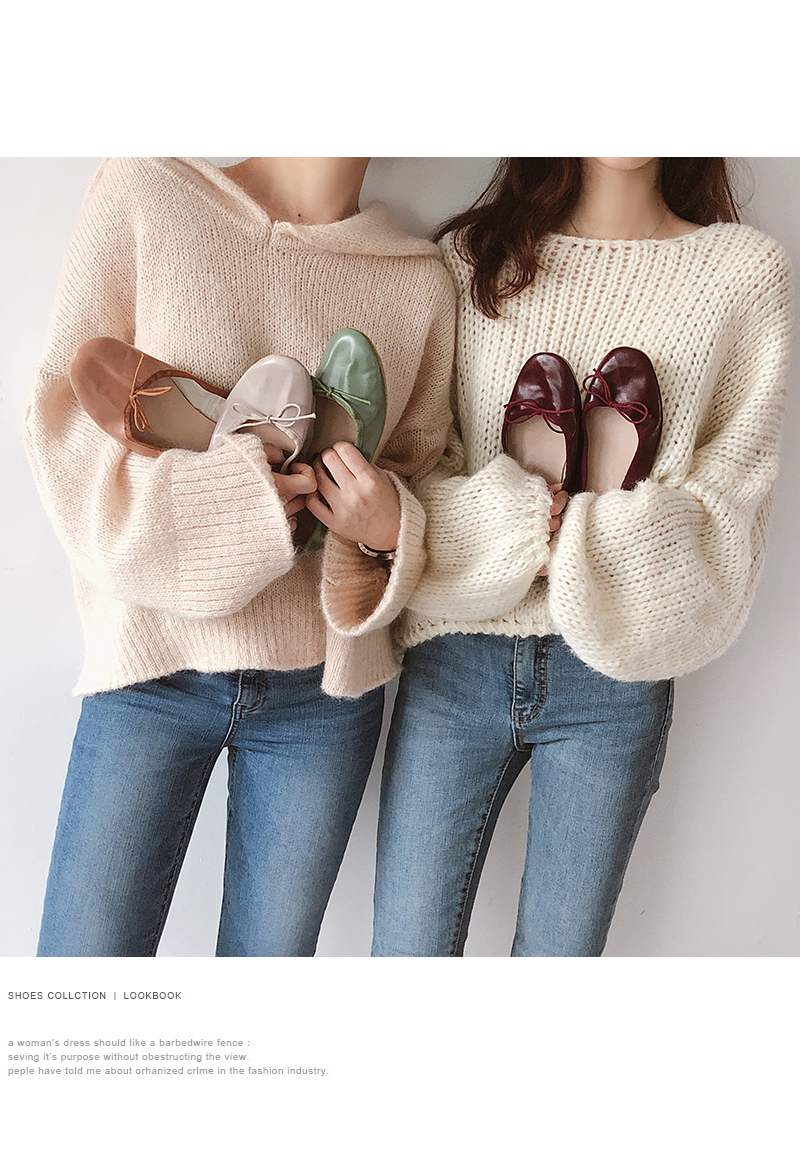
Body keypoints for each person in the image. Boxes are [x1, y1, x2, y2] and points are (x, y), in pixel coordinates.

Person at [26, 156, 455, 957]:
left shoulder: (418, 281)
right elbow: (63, 430)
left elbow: (423, 478)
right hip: (152, 669)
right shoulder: (149, 192)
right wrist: (237, 504)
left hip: (321, 699)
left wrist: (385, 525)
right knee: (81, 987)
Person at [372, 157, 793, 958]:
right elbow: (420, 476)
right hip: (455, 658)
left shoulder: (743, 273)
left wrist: (574, 539)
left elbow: (730, 514)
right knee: (404, 956)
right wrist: (523, 528)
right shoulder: (472, 257)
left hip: (616, 674)